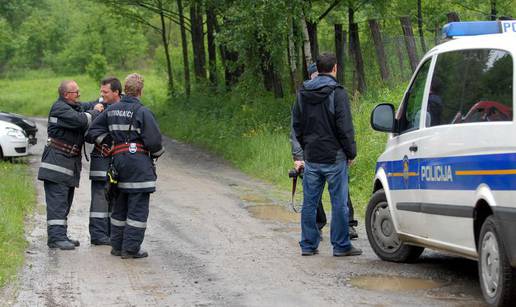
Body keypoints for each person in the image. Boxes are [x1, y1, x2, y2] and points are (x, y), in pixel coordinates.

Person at [87, 73, 164, 259]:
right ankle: (130, 249)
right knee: (137, 208)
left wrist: (109, 143)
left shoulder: (111, 110)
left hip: (117, 164)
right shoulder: (142, 112)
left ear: (124, 90)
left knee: (120, 205)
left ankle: (117, 246)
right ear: (140, 91)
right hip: (138, 165)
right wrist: (154, 154)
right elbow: (155, 143)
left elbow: (92, 131)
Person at [292, 53, 362, 257]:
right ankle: (341, 245)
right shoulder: (337, 92)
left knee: (310, 203)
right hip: (335, 157)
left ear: (318, 69)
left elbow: (296, 125)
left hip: (312, 157)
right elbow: (344, 126)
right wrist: (351, 152)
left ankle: (308, 244)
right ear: (335, 68)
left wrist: (306, 148)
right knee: (339, 203)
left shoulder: (302, 92)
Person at [38, 80, 104, 250]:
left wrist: (102, 99)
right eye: (76, 92)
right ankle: (56, 238)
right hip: (56, 164)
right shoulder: (60, 108)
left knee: (64, 202)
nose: (79, 95)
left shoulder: (71, 105)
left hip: (67, 163)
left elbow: (86, 105)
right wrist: (96, 111)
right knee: (58, 202)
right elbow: (82, 120)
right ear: (66, 95)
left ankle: (61, 235)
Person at [88, 77, 123, 246]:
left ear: (116, 92)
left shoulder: (126, 108)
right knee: (100, 198)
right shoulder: (98, 107)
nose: (101, 95)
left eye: (105, 92)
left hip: (119, 161)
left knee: (116, 196)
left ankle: (112, 234)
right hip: (101, 159)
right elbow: (89, 133)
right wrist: (107, 142)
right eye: (100, 91)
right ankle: (98, 235)